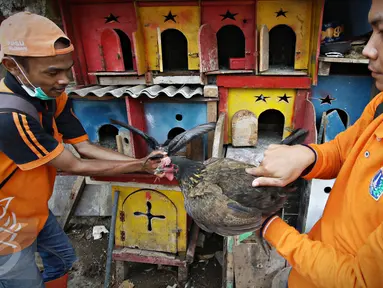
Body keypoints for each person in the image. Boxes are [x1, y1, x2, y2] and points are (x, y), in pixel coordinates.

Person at [0, 12, 167, 288]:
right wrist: (139, 166)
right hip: (6, 222)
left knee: (63, 261)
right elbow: (72, 165)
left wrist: (141, 160)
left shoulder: (55, 96)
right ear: (13, 66)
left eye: (68, 69)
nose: (64, 79)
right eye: (53, 72)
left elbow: (85, 147)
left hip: (33, 210)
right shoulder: (10, 116)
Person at [246, 1, 383, 287]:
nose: (369, 49)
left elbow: (360, 281)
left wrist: (272, 228)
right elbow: (346, 148)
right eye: (372, 32)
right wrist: (306, 155)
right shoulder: (381, 105)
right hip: (308, 272)